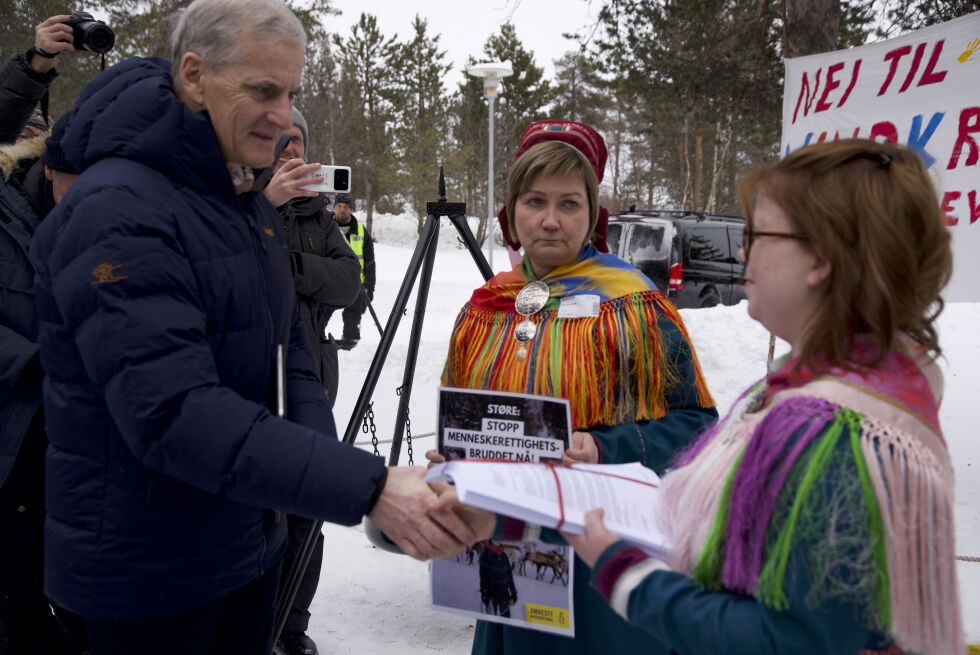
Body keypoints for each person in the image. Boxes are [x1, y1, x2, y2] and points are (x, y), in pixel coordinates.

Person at [29, 1, 476, 653]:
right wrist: (371, 488)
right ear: (194, 76)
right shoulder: (117, 209)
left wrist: (335, 490)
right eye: (263, 90)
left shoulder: (241, 199)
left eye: (291, 92)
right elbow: (174, 411)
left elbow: (288, 360)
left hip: (244, 551)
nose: (283, 114)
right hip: (146, 582)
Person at [559, 140, 964, 655]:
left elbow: (789, 641)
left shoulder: (833, 429)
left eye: (757, 234)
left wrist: (629, 576)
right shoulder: (830, 383)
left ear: (821, 257)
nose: (742, 251)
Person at [429, 119, 718, 654]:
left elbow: (699, 430)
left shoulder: (635, 307)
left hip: (602, 555)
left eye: (569, 204)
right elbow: (465, 414)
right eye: (535, 202)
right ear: (511, 212)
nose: (550, 221)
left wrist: (603, 446)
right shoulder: (485, 308)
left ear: (593, 214)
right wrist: (455, 459)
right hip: (511, 551)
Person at [261, 106, 362, 655]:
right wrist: (265, 208)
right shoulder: (241, 206)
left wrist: (293, 267)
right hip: (256, 376)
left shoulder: (320, 216)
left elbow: (349, 284)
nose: (291, 152)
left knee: (307, 508)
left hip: (314, 377)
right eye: (280, 142)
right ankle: (256, 626)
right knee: (259, 507)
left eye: (297, 141)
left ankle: (292, 627)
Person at [0, 14, 74, 144]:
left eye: (40, 140)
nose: (28, 144)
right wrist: (40, 58)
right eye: (23, 135)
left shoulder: (50, 163)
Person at [332, 192, 375, 349]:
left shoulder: (362, 232)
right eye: (339, 206)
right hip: (330, 280)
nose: (342, 210)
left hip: (356, 283)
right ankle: (317, 339)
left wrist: (370, 287)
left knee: (353, 314)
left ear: (350, 209)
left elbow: (370, 263)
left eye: (346, 207)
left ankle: (350, 341)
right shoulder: (326, 227)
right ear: (334, 208)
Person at [478, 541, 517, 618]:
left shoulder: (504, 555)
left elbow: (509, 574)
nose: (498, 540)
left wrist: (513, 591)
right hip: (491, 593)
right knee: (491, 620)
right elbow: (483, 575)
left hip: (504, 593)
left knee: (506, 620)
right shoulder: (485, 555)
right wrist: (484, 592)